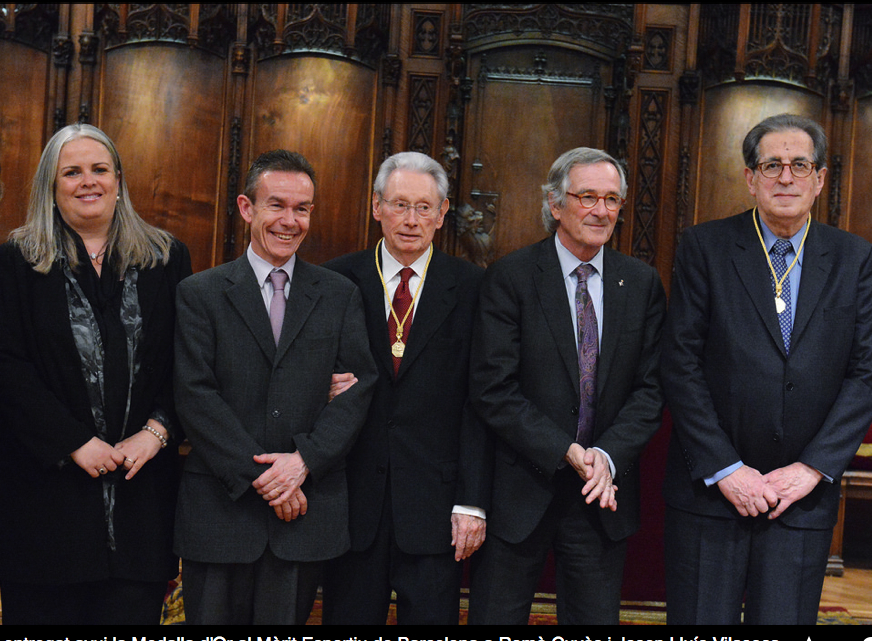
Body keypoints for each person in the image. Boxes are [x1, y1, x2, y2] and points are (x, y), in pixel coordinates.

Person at [661, 113, 872, 625]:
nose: (785, 178)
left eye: (800, 165)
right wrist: (726, 469)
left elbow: (865, 372)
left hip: (799, 500)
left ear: (820, 179)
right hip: (711, 494)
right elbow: (679, 363)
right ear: (750, 178)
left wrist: (811, 469)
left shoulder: (854, 258)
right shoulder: (704, 247)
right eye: (771, 165)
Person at [172, 149, 377, 625]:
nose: (290, 221)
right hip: (221, 513)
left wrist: (304, 462)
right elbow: (195, 396)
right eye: (276, 205)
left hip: (305, 517)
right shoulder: (200, 293)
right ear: (247, 208)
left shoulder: (339, 294)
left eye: (301, 208)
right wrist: (269, 480)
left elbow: (358, 390)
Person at [0, 123, 192, 624]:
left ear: (118, 180)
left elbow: (190, 362)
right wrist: (73, 441)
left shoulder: (166, 258)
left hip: (140, 502)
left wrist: (156, 432)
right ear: (51, 185)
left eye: (99, 169)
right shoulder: (16, 261)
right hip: (44, 509)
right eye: (72, 172)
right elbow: (7, 366)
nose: (89, 181)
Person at [467, 147, 666, 624]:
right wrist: (565, 450)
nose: (601, 210)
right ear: (556, 204)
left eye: (612, 199)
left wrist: (606, 457)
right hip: (521, 489)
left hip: (600, 495)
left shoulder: (641, 284)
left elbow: (652, 389)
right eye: (587, 197)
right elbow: (493, 387)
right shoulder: (510, 277)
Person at [320, 151, 491, 624]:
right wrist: (318, 388)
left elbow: (482, 404)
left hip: (436, 509)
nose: (411, 220)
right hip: (351, 502)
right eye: (399, 205)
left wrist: (471, 500)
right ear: (376, 207)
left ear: (442, 213)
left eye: (423, 207)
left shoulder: (475, 287)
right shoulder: (335, 280)